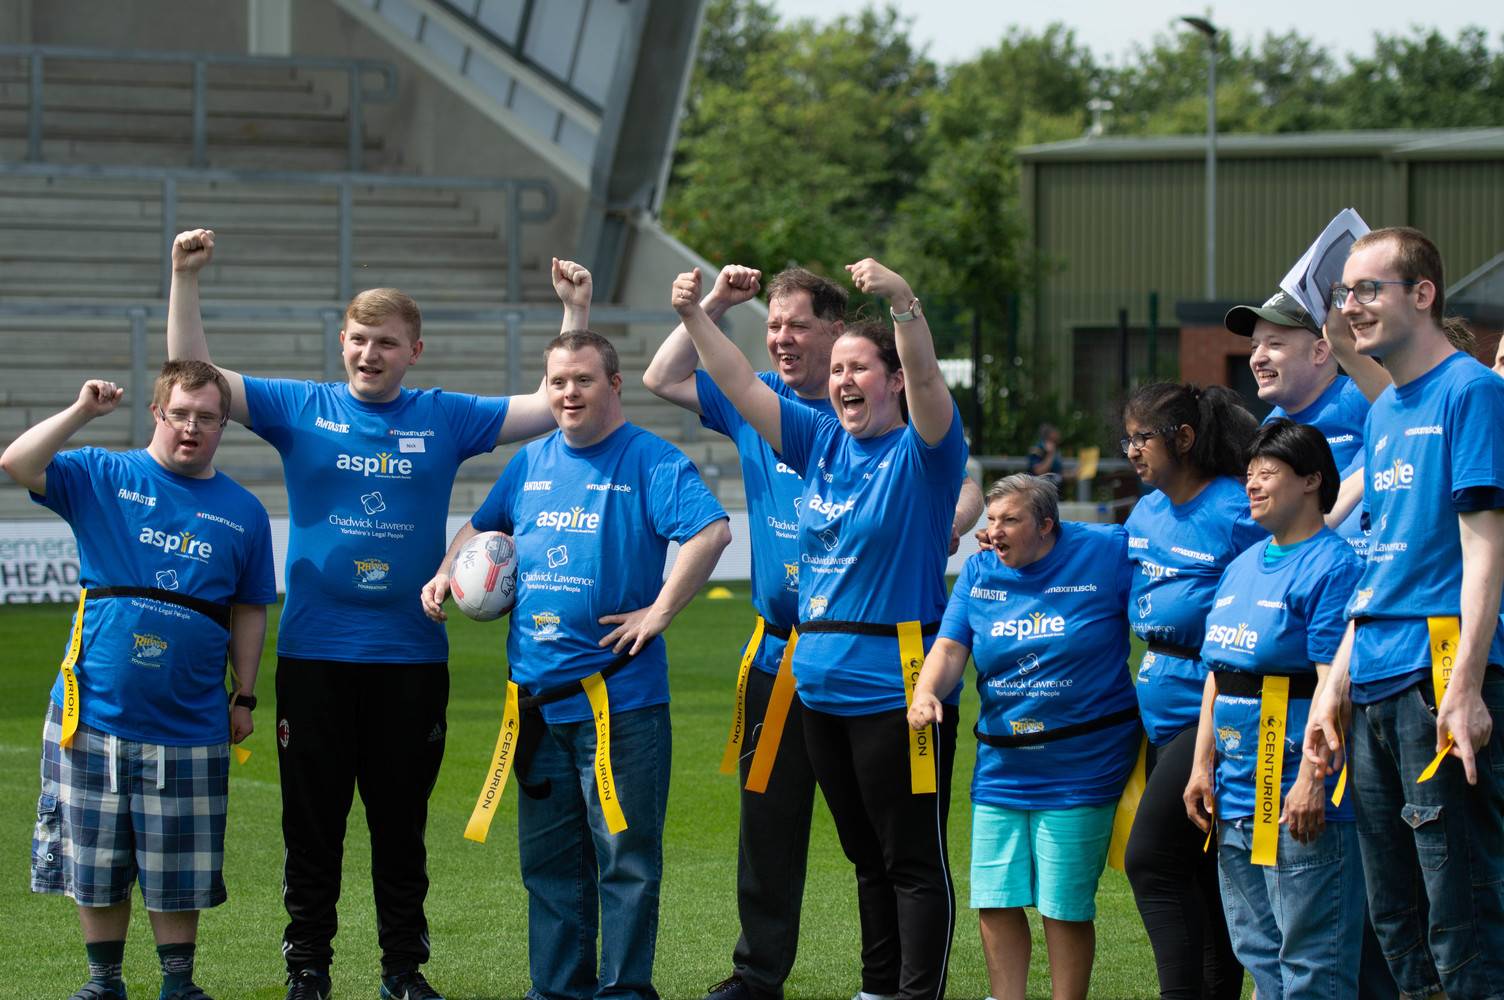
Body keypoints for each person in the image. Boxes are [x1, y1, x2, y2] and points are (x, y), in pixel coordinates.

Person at [165, 228, 563, 1000]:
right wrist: (185, 277)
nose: (369, 353)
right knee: (311, 827)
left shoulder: (445, 417)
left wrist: (572, 308)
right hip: (314, 657)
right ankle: (307, 968)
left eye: (386, 342)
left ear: (414, 350)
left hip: (410, 659)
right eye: (358, 339)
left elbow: (550, 405)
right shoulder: (300, 408)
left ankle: (401, 970)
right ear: (341, 341)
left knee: (399, 827)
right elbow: (197, 376)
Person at [642, 264, 981, 1000]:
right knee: (864, 855)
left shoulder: (924, 454)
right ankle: (877, 988)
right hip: (819, 687)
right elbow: (738, 382)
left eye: (860, 368)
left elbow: (928, 376)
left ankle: (915, 995)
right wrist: (697, 314)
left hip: (897, 690)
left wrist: (901, 300)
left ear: (895, 381)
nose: (844, 380)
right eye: (837, 371)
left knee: (910, 859)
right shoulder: (818, 441)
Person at [421, 271, 732, 999]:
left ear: (613, 385)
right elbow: (482, 528)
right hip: (535, 703)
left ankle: (624, 993)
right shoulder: (529, 463)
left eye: (583, 380)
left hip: (619, 703)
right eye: (558, 381)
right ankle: (557, 990)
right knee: (551, 868)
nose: (568, 393)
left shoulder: (650, 458)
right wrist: (445, 572)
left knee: (626, 862)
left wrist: (659, 611)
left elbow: (711, 531)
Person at [1, 362, 276, 1000]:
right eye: (180, 413)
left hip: (190, 720)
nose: (191, 428)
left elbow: (250, 609)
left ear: (223, 425)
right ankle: (104, 982)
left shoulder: (244, 512)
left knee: (179, 863)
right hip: (92, 712)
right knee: (95, 858)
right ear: (157, 413)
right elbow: (17, 463)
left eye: (207, 417)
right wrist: (82, 412)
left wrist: (245, 695)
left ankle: (178, 984)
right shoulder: (104, 474)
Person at [1305, 227, 1504, 998]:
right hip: (1374, 684)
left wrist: (1468, 685)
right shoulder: (1385, 410)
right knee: (1396, 918)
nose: (1350, 307)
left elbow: (1484, 550)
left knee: (1463, 913)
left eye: (1367, 290)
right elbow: (1380, 565)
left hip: (1436, 679)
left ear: (1423, 294)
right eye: (1344, 292)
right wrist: (1333, 686)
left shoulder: (1472, 393)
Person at [909, 474, 1139, 1000]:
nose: (994, 531)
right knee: (995, 898)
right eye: (991, 520)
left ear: (1046, 525)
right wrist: (926, 692)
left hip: (1082, 766)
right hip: (1002, 767)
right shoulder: (979, 571)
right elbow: (950, 648)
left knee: (1063, 905)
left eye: (1009, 520)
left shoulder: (1103, 552)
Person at [1183, 419, 1365, 998]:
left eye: (1267, 473)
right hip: (1234, 798)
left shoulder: (1334, 567)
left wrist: (1313, 781)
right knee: (1259, 954)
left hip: (1294, 801)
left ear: (1312, 480)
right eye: (1249, 475)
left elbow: (1338, 690)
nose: (1252, 485)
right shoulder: (1241, 566)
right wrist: (1200, 766)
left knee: (1312, 965)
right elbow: (1219, 676)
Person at [1119, 381, 1262, 1000]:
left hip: (1216, 712)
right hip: (1158, 713)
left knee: (1150, 859)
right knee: (1202, 874)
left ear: (1183, 438)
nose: (1131, 451)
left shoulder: (1236, 510)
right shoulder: (1145, 511)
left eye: (1142, 438)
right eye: (1126, 440)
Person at [1225, 289, 1390, 555]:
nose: (1258, 358)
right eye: (1254, 347)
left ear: (1320, 351)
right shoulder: (1271, 427)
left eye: (1274, 344)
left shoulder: (1365, 398)